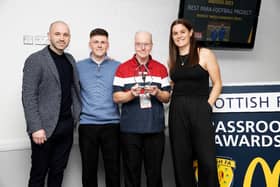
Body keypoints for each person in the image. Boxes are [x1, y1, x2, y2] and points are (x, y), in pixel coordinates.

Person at [22, 21, 81, 187]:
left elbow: (74, 88)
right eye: (57, 34)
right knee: (39, 174)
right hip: (44, 129)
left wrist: (75, 117)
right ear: (49, 36)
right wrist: (36, 127)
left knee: (58, 172)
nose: (62, 38)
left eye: (65, 35)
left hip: (66, 126)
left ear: (69, 38)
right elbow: (28, 96)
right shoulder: (35, 60)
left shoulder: (70, 60)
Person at [168, 18, 222, 187]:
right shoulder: (172, 59)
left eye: (182, 32)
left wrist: (207, 106)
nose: (179, 36)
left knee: (207, 163)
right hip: (177, 111)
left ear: (190, 33)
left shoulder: (204, 53)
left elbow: (218, 83)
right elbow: (174, 85)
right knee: (181, 162)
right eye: (175, 33)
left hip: (200, 109)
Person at [113, 31, 171, 187]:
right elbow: (116, 97)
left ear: (151, 45)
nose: (142, 47)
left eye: (146, 44)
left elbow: (167, 97)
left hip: (155, 130)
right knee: (131, 175)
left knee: (154, 174)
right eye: (139, 44)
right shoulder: (122, 68)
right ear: (134, 45)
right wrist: (131, 94)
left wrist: (158, 92)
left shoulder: (161, 68)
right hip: (130, 131)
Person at [76, 28, 120, 187]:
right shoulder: (78, 66)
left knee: (113, 170)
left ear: (107, 44)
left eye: (103, 42)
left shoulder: (117, 66)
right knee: (88, 171)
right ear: (90, 44)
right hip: (87, 125)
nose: (99, 45)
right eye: (96, 42)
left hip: (112, 124)